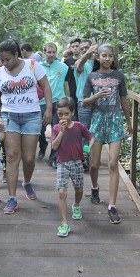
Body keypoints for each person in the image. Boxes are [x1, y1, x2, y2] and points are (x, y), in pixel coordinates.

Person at [0, 40, 52, 214]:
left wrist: (48, 108)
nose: (4, 63)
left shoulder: (32, 66)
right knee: (12, 156)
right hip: (9, 116)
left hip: (32, 115)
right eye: (2, 60)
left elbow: (46, 86)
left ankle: (27, 182)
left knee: (29, 158)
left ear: (17, 55)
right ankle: (12, 198)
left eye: (7, 59)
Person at [82, 43, 132, 224]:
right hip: (97, 121)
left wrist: (129, 121)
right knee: (94, 164)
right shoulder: (92, 77)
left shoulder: (119, 76)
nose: (107, 59)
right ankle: (95, 188)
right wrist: (96, 96)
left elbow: (124, 100)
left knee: (112, 164)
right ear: (98, 57)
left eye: (110, 56)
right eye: (104, 55)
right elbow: (84, 103)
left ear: (113, 58)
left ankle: (112, 206)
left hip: (115, 121)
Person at [51, 97, 93, 237]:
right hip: (62, 162)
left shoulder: (79, 126)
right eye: (60, 114)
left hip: (77, 162)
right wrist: (62, 132)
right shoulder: (56, 128)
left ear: (72, 113)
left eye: (66, 114)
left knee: (79, 189)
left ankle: (76, 205)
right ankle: (64, 223)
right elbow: (54, 146)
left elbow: (91, 138)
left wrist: (88, 149)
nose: (63, 117)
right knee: (62, 192)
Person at [38, 42, 70, 168]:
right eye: (49, 52)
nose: (51, 55)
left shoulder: (63, 67)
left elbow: (66, 84)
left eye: (53, 52)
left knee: (57, 130)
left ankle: (53, 158)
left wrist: (68, 100)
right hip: (42, 102)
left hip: (58, 102)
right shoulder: (37, 67)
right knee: (39, 130)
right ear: (44, 52)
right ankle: (42, 145)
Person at [74, 40, 98, 170]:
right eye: (81, 48)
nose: (83, 50)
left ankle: (95, 157)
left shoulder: (98, 63)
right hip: (84, 102)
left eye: (86, 48)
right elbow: (80, 64)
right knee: (85, 132)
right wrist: (89, 52)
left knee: (97, 131)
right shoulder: (79, 62)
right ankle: (85, 157)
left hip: (99, 102)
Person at [63, 38, 82, 119]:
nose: (75, 48)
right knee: (73, 117)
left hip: (83, 93)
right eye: (73, 46)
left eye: (77, 46)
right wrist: (67, 96)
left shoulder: (86, 60)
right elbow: (65, 80)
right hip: (71, 92)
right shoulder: (67, 61)